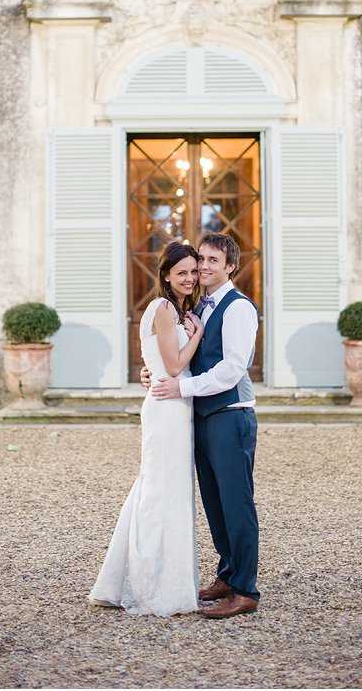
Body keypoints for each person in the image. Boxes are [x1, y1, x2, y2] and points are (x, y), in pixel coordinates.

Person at [141, 232, 260, 619]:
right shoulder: (201, 307)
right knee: (214, 502)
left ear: (230, 267)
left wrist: (182, 386)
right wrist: (154, 372)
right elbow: (183, 355)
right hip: (203, 415)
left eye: (213, 261)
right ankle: (227, 574)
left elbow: (232, 368)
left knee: (237, 503)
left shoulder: (238, 308)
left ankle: (244, 589)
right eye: (201, 260)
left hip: (230, 414)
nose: (204, 267)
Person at [88, 241, 204, 616]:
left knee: (157, 487)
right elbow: (172, 367)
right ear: (166, 275)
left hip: (169, 404)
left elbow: (155, 362)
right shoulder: (167, 309)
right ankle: (152, 584)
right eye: (181, 272)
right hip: (168, 407)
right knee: (161, 491)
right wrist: (198, 335)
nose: (189, 278)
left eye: (192, 271)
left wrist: (151, 369)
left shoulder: (166, 309)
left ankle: (131, 576)